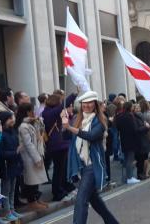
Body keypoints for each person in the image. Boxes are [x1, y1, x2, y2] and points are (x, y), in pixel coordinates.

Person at [63, 91, 119, 224]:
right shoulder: (76, 119)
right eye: (84, 103)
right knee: (94, 199)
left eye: (90, 103)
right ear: (81, 104)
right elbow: (66, 138)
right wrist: (64, 124)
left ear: (95, 105)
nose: (87, 105)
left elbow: (92, 136)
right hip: (79, 165)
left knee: (81, 200)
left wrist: (70, 128)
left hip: (92, 165)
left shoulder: (99, 121)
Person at [42, 93, 77, 201]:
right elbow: (64, 105)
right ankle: (57, 192)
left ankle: (61, 189)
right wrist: (74, 94)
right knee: (59, 170)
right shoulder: (50, 112)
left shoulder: (47, 112)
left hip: (57, 144)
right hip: (57, 144)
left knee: (60, 169)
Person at [16, 103, 49, 210]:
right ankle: (32, 201)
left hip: (36, 153)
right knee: (31, 180)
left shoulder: (31, 123)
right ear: (27, 112)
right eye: (32, 110)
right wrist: (37, 158)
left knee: (36, 179)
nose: (34, 112)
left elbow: (41, 133)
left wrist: (39, 122)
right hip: (29, 157)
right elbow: (28, 144)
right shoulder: (23, 126)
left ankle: (36, 198)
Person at [0, 111, 24, 221]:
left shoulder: (13, 131)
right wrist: (16, 152)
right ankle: (7, 211)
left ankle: (12, 209)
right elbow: (1, 153)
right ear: (4, 121)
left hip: (14, 164)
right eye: (9, 119)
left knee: (13, 189)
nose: (12, 120)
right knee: (6, 190)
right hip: (6, 166)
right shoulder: (1, 135)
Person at [115, 102, 141, 184]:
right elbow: (134, 129)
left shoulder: (119, 116)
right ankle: (130, 177)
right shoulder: (130, 116)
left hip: (123, 139)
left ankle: (126, 177)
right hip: (131, 140)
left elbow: (117, 127)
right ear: (130, 107)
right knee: (130, 159)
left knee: (126, 159)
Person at [134, 102, 150, 180]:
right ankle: (140, 174)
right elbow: (137, 129)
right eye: (136, 108)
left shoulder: (141, 117)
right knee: (140, 159)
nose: (138, 110)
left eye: (139, 108)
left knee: (144, 157)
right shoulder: (134, 118)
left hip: (144, 138)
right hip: (139, 140)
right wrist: (146, 127)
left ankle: (144, 173)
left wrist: (146, 127)